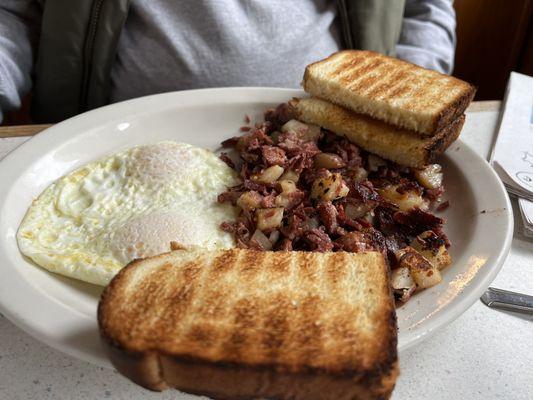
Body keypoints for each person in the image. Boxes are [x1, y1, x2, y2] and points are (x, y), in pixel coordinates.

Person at [0, 0, 456, 123]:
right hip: (100, 140)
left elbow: (423, 9)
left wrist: (408, 103)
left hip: (336, 142)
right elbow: (10, 14)